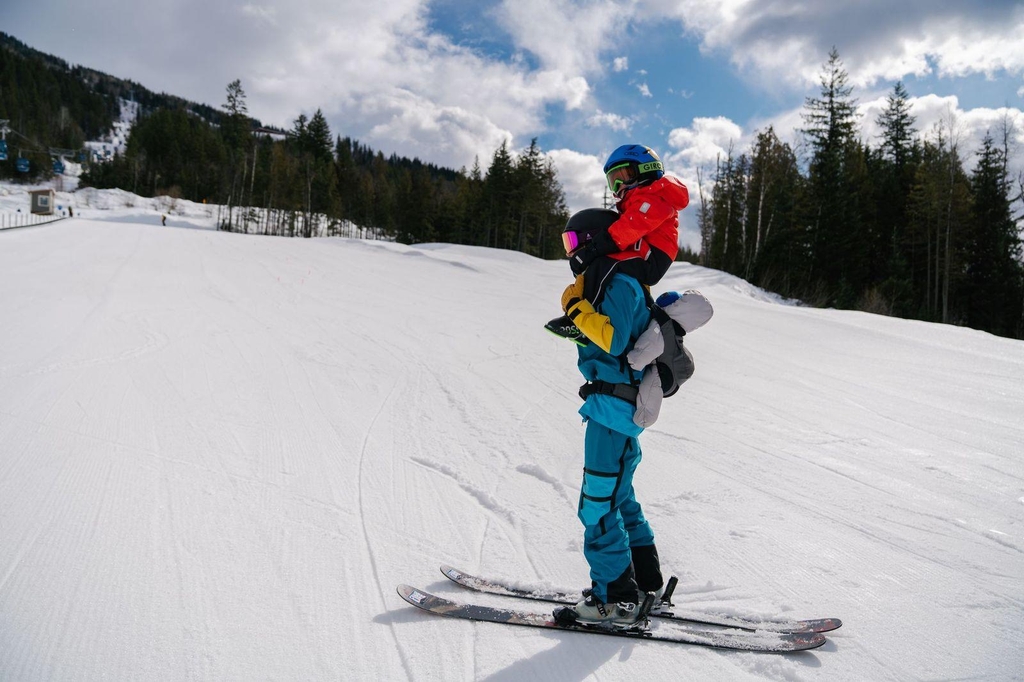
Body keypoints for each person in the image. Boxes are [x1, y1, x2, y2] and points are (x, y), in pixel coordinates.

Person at [557, 221, 666, 627]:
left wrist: (576, 310)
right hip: (616, 405)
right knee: (619, 497)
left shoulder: (620, 280)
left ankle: (616, 599)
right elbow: (611, 342)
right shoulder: (619, 279)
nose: (570, 252)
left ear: (592, 240)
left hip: (612, 411)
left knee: (598, 503)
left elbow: (616, 340)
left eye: (572, 242)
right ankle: (645, 583)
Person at [546, 144, 689, 343]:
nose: (619, 185)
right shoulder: (640, 199)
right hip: (646, 252)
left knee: (605, 263)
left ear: (645, 169)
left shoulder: (655, 197)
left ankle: (579, 318)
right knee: (602, 265)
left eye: (624, 175)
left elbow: (630, 227)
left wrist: (594, 248)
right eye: (613, 181)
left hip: (652, 258)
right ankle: (590, 313)